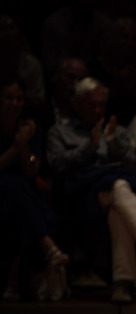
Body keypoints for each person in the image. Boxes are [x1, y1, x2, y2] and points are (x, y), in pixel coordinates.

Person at [47, 76, 136, 303]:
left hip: (113, 193)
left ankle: (122, 285)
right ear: (76, 104)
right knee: (119, 188)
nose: (97, 110)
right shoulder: (59, 132)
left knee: (118, 196)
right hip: (80, 196)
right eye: (91, 104)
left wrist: (113, 141)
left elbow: (131, 164)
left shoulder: (117, 130)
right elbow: (58, 167)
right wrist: (91, 146)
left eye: (101, 105)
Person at [0, 75, 68, 301]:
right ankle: (49, 249)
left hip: (20, 192)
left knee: (17, 195)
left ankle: (13, 282)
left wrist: (25, 145)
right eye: (9, 97)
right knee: (14, 187)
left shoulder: (30, 129)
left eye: (19, 99)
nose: (14, 103)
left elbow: (31, 171)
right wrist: (14, 148)